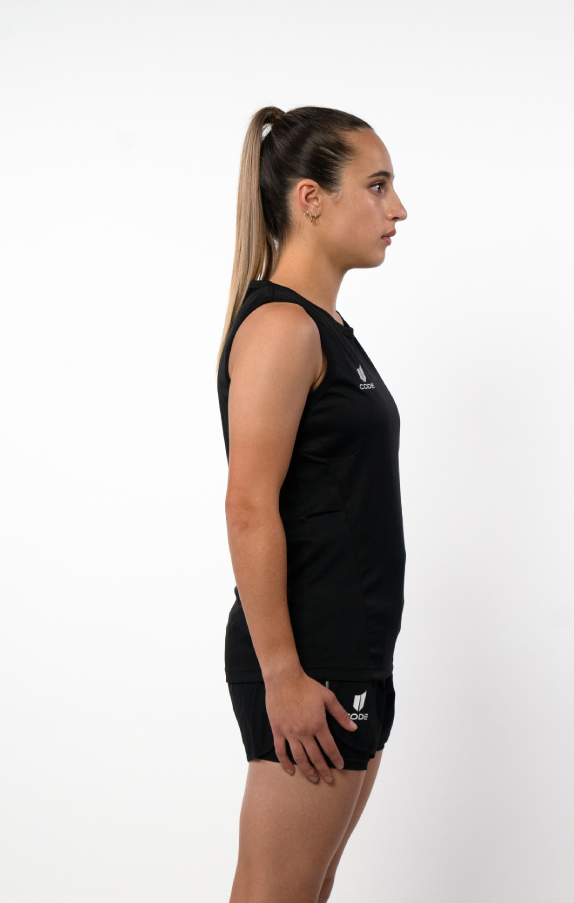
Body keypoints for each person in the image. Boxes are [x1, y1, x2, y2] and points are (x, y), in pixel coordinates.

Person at [216, 105, 408, 903]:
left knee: (307, 888)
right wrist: (283, 676)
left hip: (350, 652)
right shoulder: (281, 328)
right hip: (309, 661)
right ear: (310, 198)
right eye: (377, 185)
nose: (398, 209)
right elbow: (247, 506)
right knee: (275, 891)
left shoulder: (326, 328)